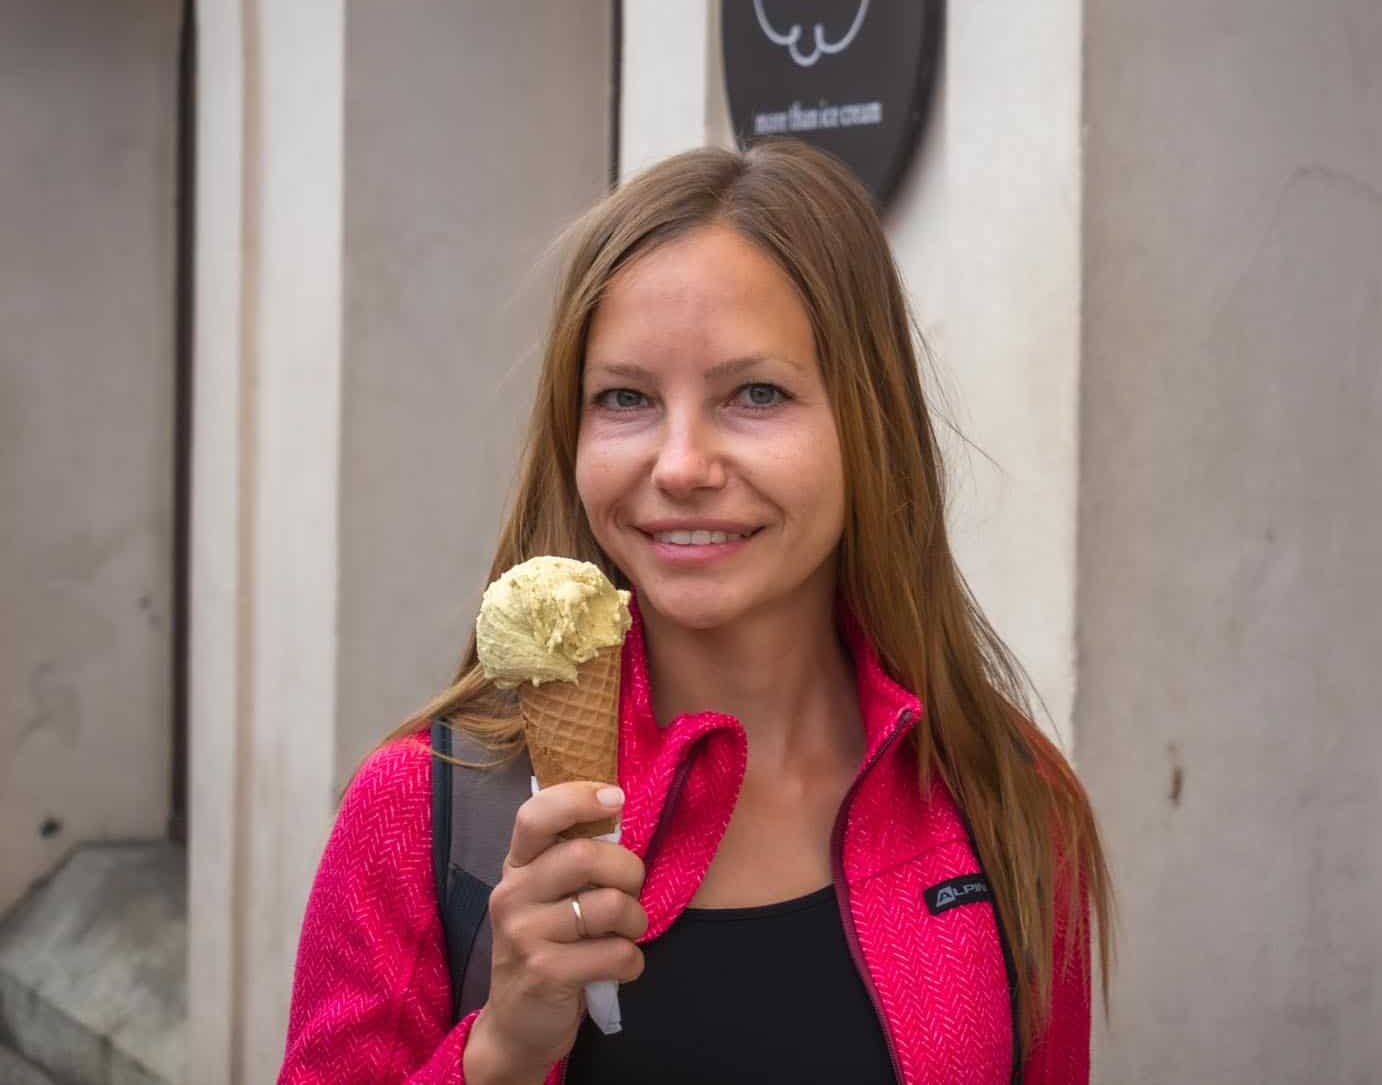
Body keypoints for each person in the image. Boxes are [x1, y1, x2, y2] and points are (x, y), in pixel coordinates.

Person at [279, 143, 1109, 1083]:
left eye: (756, 393)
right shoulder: (424, 813)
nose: (679, 466)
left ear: (868, 421)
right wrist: (499, 1051)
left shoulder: (1009, 801)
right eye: (625, 397)